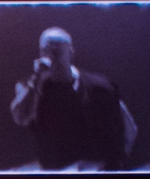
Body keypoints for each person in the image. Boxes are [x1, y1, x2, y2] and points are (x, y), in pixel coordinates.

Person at [8, 26, 136, 170]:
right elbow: (21, 117)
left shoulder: (99, 87)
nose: (51, 56)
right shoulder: (30, 86)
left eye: (56, 50)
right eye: (45, 50)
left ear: (71, 52)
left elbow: (129, 129)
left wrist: (115, 165)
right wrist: (36, 78)